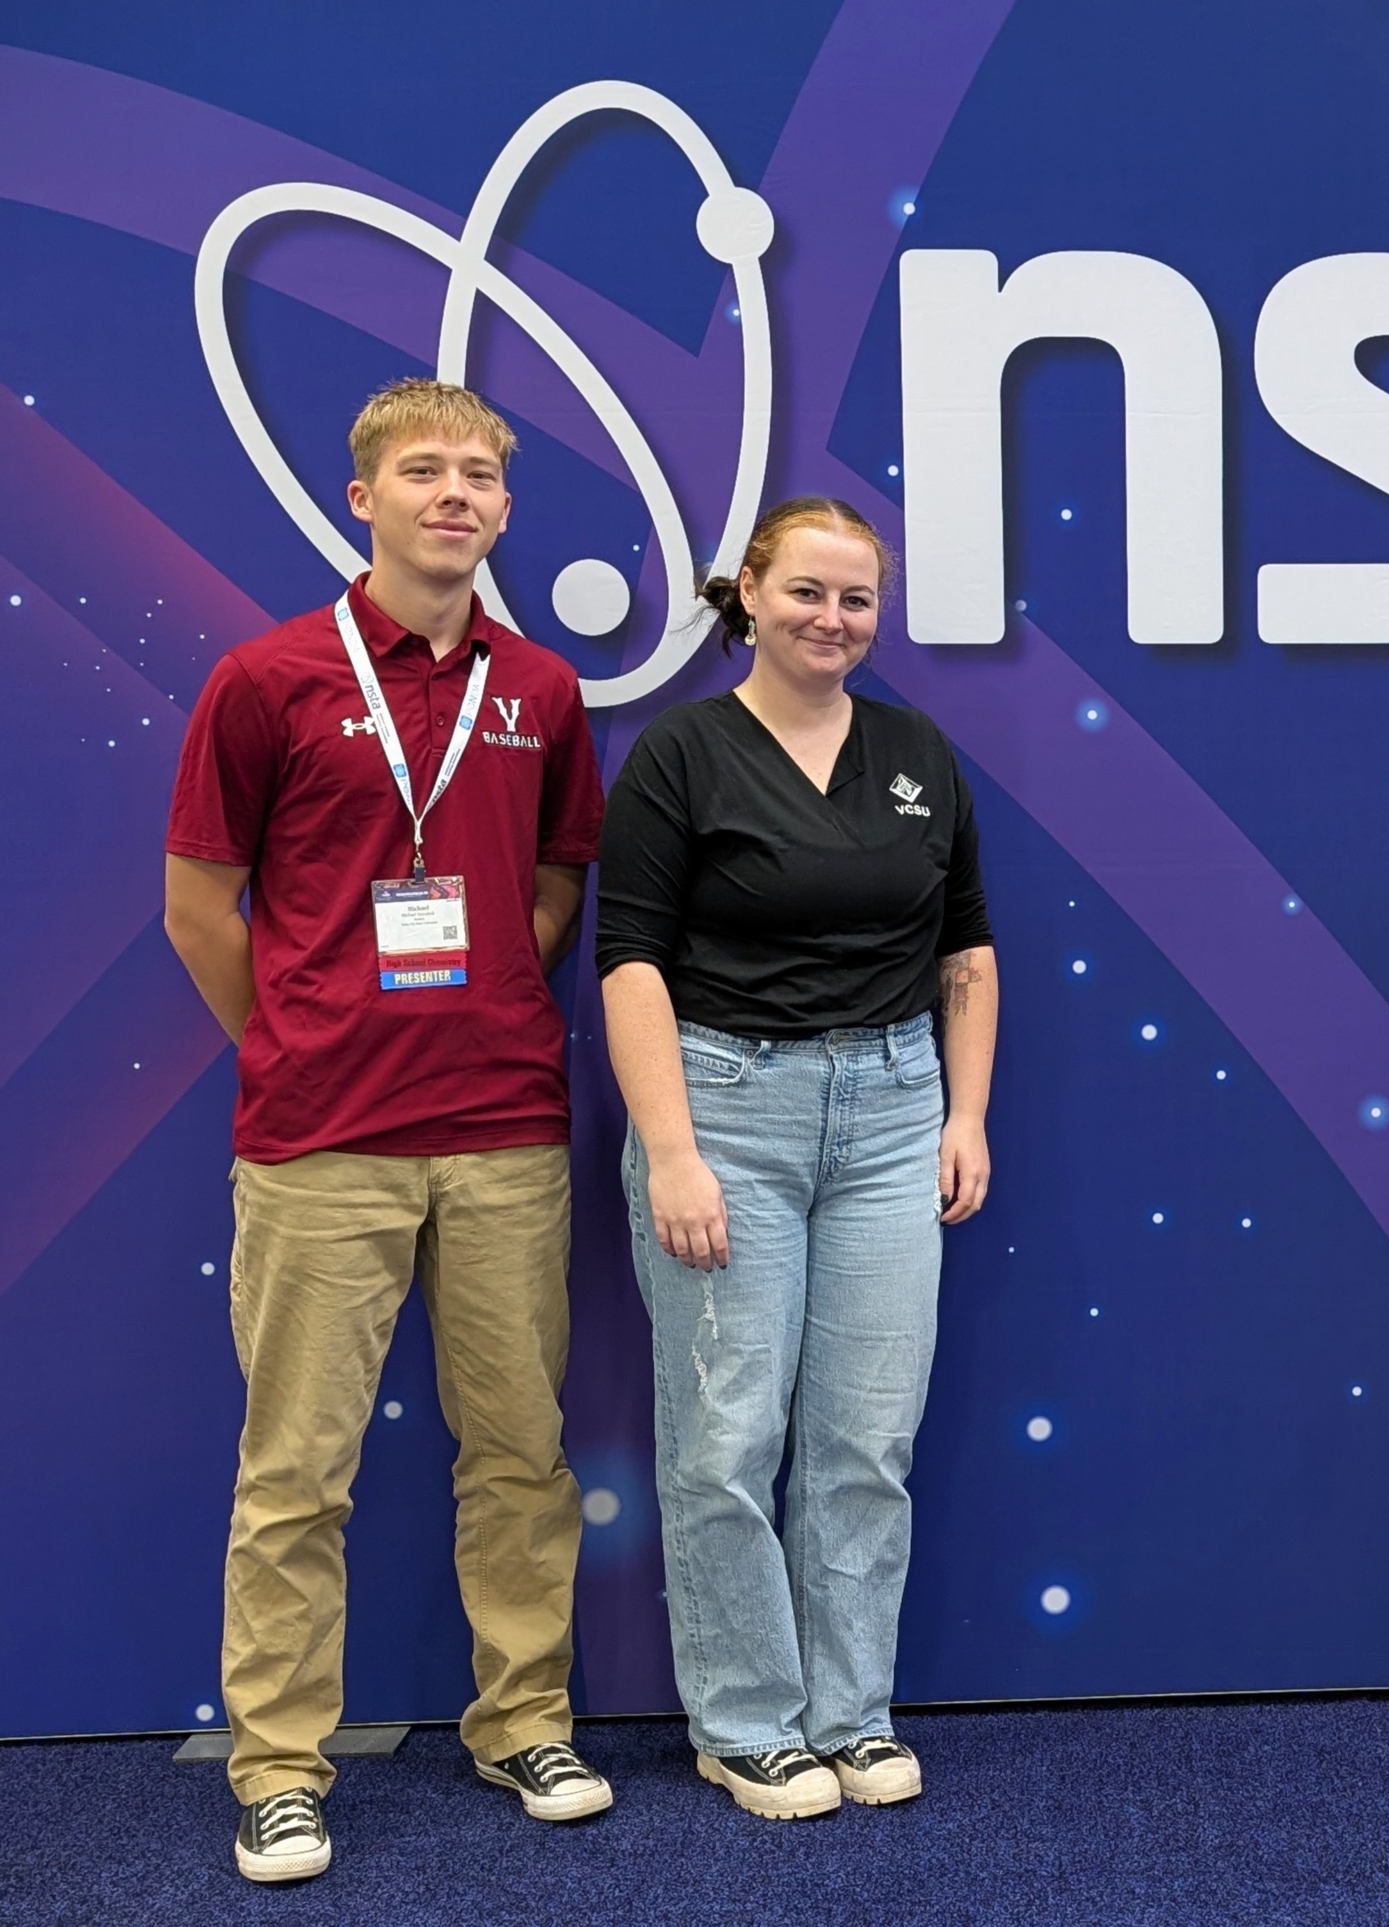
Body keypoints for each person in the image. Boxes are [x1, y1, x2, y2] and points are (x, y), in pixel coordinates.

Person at [163, 379, 613, 1884]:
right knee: (296, 1470)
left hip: (502, 1129)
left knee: (522, 1455)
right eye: (424, 470)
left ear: (504, 508)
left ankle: (526, 1718)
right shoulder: (267, 678)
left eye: (481, 474)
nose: (456, 494)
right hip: (319, 1142)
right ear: (362, 497)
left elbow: (557, 886)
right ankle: (280, 1765)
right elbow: (196, 904)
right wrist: (302, 1032)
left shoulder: (541, 690)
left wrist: (478, 1003)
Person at [596, 496, 997, 1821]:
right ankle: (747, 1724)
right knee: (724, 1440)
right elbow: (630, 961)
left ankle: (852, 1715)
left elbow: (970, 954)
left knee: (865, 1441)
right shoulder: (682, 754)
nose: (834, 619)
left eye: (858, 600)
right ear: (750, 594)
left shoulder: (917, 750)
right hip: (726, 1114)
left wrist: (964, 1113)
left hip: (893, 1115)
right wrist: (673, 1155)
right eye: (809, 592)